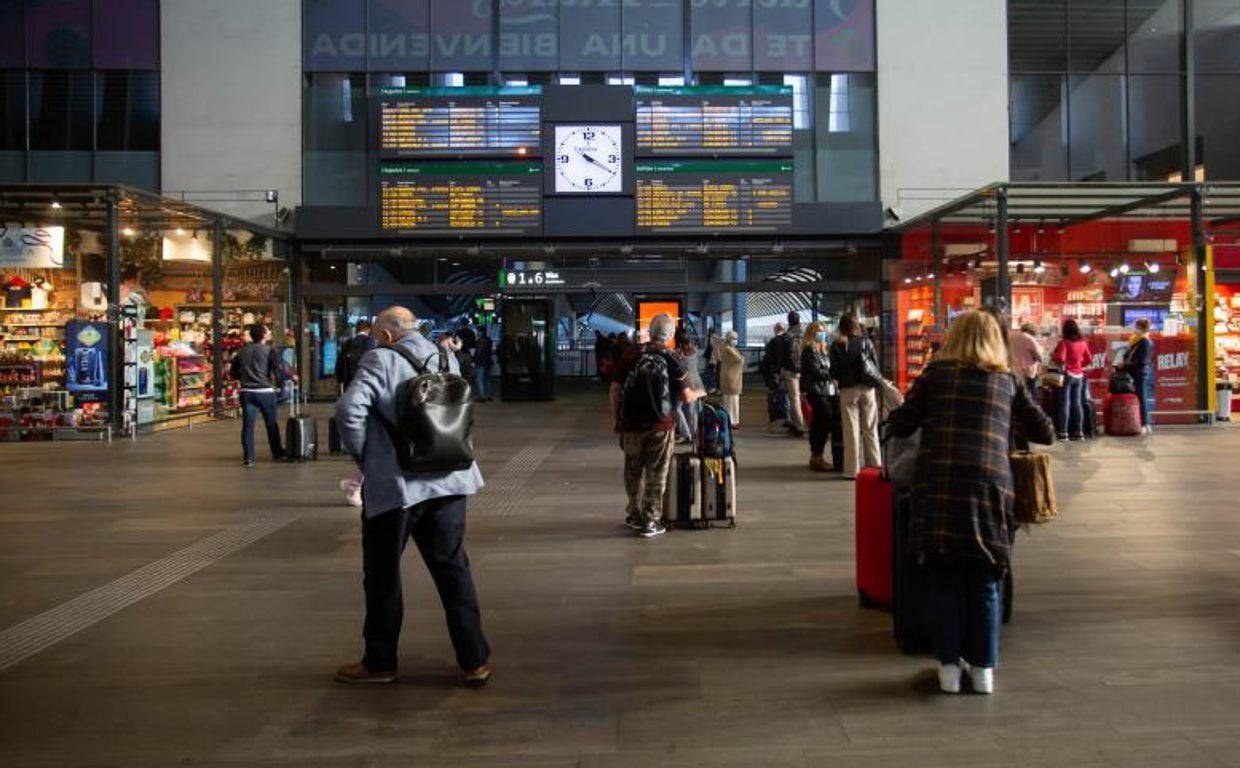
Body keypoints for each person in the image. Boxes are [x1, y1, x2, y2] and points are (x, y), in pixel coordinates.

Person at [887, 310, 1055, 695]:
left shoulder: (936, 375)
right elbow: (1044, 430)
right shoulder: (1007, 380)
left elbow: (902, 423)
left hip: (940, 489)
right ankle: (983, 671)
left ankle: (948, 670)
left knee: (945, 581)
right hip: (990, 490)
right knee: (984, 581)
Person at [332, 306, 492, 687]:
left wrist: (368, 460)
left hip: (399, 487)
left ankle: (380, 662)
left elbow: (349, 410)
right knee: (453, 569)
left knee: (383, 574)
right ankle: (475, 660)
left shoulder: (380, 359)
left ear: (387, 335)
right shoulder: (446, 355)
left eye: (374, 334)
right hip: (451, 479)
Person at [610, 313, 705, 538]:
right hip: (661, 426)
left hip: (631, 424)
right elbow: (686, 397)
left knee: (633, 471)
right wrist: (702, 392)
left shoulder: (631, 354)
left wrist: (617, 420)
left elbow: (614, 389)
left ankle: (634, 513)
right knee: (657, 472)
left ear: (649, 332)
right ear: (670, 335)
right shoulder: (673, 357)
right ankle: (650, 521)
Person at [229, 324, 292, 467]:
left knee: (247, 426)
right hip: (264, 393)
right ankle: (277, 453)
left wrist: (245, 378)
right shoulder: (270, 351)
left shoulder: (242, 351)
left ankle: (248, 458)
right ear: (263, 335)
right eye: (267, 331)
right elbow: (278, 373)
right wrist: (290, 377)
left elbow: (233, 373)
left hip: (246, 393)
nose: (269, 332)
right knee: (271, 424)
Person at [829, 313, 882, 479]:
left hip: (847, 390)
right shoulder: (866, 342)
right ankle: (874, 465)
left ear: (841, 327)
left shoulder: (837, 345)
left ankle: (852, 470)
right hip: (867, 388)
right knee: (870, 428)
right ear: (856, 325)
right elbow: (875, 365)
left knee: (850, 431)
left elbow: (834, 372)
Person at [336, 320, 377, 506]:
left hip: (352, 392)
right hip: (369, 398)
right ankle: (355, 485)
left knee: (372, 448)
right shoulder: (373, 347)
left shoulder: (348, 345)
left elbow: (340, 369)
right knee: (375, 449)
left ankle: (354, 482)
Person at [800, 321, 836, 472]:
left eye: (823, 331)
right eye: (818, 331)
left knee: (819, 423)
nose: (821, 334)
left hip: (823, 391)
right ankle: (817, 455)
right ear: (811, 333)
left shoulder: (822, 351)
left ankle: (817, 456)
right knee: (823, 420)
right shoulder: (810, 350)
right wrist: (832, 375)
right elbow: (816, 371)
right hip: (815, 391)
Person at [1051, 319, 1094, 441]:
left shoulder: (1064, 343)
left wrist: (1052, 355)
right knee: (1077, 404)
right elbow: (1089, 359)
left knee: (1065, 404)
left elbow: (1060, 357)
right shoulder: (1083, 343)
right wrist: (1080, 365)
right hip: (1079, 376)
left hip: (1067, 375)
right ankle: (1079, 432)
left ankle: (1064, 433)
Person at [1121, 317, 1155, 434]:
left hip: (1139, 373)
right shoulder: (1136, 340)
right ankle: (1138, 422)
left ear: (1140, 328)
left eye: (1135, 326)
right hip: (1134, 372)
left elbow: (1141, 360)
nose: (1133, 328)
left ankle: (1145, 423)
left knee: (1141, 398)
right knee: (1138, 398)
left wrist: (1125, 365)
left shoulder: (1144, 341)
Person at [673, 326, 703, 444]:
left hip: (685, 383)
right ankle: (693, 433)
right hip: (696, 382)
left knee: (676, 407)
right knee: (692, 409)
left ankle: (686, 434)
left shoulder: (678, 353)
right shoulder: (694, 350)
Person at [781, 311, 807, 436]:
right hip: (805, 370)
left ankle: (799, 425)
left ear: (789, 321)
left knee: (794, 399)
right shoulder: (805, 334)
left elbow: (783, 355)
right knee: (805, 397)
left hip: (791, 371)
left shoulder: (787, 336)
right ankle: (808, 422)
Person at [335, 319, 377, 390]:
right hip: (367, 382)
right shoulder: (372, 343)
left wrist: (340, 379)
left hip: (350, 381)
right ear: (369, 330)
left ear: (356, 330)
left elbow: (340, 363)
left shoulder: (347, 344)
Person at [718, 330, 745, 429]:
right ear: (729, 339)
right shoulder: (729, 349)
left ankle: (729, 420)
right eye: (734, 339)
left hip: (728, 378)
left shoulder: (725, 347)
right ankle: (732, 421)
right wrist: (742, 357)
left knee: (728, 401)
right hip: (732, 379)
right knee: (732, 402)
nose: (735, 341)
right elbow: (740, 359)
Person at [1008, 322, 1042, 393]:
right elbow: (1040, 357)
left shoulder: (1012, 337)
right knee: (1030, 395)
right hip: (1028, 373)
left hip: (1014, 372)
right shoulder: (1030, 339)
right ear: (1033, 331)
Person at [474, 326, 494, 402]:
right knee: (487, 379)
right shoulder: (489, 340)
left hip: (481, 362)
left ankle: (481, 397)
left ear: (480, 332)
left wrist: (474, 361)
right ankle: (489, 396)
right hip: (488, 362)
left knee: (479, 379)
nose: (476, 332)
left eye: (477, 331)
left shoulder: (480, 341)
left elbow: (478, 352)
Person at [704, 328, 721, 393]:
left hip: (713, 358)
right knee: (713, 373)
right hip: (712, 357)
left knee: (711, 373)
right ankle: (714, 387)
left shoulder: (713, 338)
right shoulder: (711, 338)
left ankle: (713, 387)